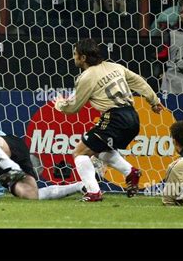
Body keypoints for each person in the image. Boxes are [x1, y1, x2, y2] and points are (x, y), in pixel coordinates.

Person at [0, 58, 84, 200]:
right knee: (30, 194)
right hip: (2, 166)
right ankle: (80, 186)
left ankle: (12, 168)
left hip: (10, 147)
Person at [54, 38, 164, 202]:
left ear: (83, 58)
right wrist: (154, 101)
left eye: (75, 54)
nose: (74, 58)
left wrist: (59, 105)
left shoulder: (87, 77)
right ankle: (130, 172)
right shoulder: (116, 67)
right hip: (133, 118)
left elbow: (73, 108)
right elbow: (139, 82)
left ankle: (93, 193)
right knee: (100, 150)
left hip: (114, 118)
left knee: (79, 152)